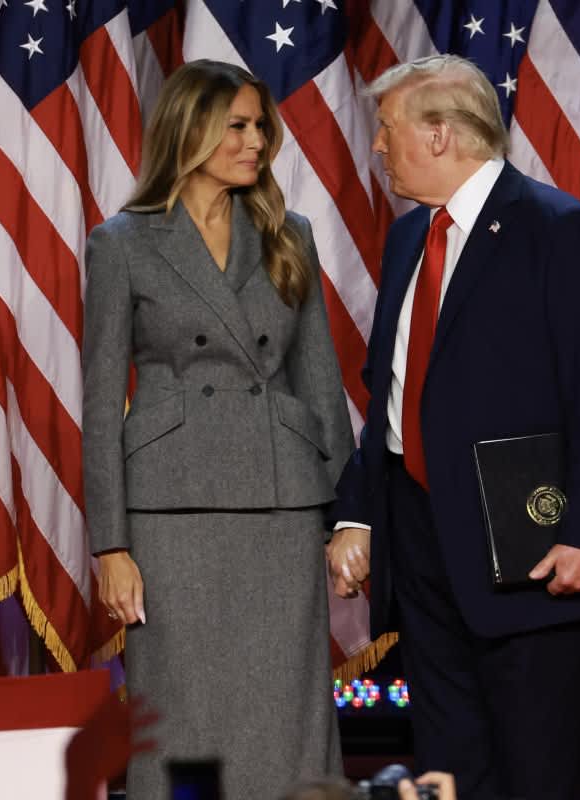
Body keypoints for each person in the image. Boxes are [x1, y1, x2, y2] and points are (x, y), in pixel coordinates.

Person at [325, 55, 580, 800]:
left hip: (535, 552)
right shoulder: (410, 237)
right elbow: (388, 394)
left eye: (388, 131)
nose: (377, 148)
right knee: (451, 769)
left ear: (441, 134)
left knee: (535, 772)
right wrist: (358, 511)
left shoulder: (560, 230)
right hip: (421, 551)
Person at [82, 59, 354, 799]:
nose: (256, 140)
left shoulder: (286, 232)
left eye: (261, 125)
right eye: (237, 125)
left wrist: (351, 515)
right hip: (172, 513)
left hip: (282, 506)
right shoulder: (123, 244)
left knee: (288, 720)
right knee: (183, 720)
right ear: (189, 129)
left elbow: (319, 382)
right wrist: (111, 544)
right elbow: (103, 402)